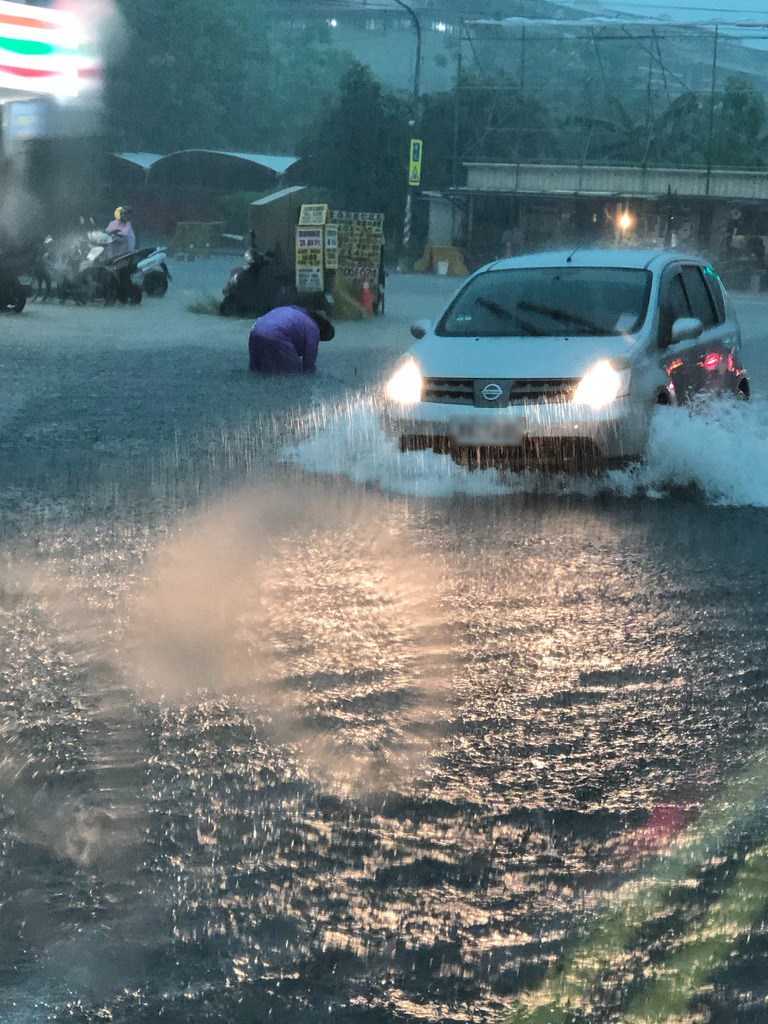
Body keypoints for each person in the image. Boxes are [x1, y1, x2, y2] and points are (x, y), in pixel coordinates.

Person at [248, 305, 334, 374]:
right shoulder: (313, 328)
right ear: (321, 332)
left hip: (256, 330)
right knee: (293, 372)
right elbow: (309, 364)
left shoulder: (296, 310)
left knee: (257, 370)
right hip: (276, 334)